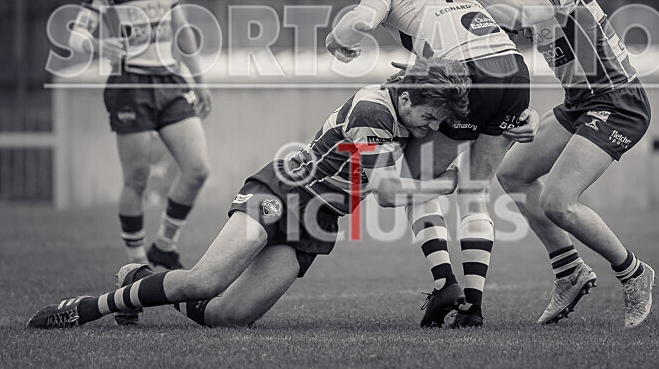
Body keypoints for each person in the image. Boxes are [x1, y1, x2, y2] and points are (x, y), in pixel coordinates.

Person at [27, 58, 472, 329]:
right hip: (283, 191)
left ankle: (140, 278)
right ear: (410, 99)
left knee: (228, 317)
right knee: (204, 280)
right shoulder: (375, 108)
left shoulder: (410, 106)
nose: (431, 130)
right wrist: (448, 183)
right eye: (430, 119)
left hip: (316, 222)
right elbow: (388, 192)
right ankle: (88, 308)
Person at [425, 0, 655, 328]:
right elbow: (508, 43)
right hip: (579, 104)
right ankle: (569, 270)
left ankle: (635, 274)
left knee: (557, 201)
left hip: (618, 102)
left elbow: (529, 11)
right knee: (512, 174)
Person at [326, 0, 536, 328]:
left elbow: (359, 22)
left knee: (414, 180)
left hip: (468, 77)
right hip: (516, 76)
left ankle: (445, 283)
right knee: (475, 191)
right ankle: (472, 308)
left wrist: (337, 41)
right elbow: (498, 36)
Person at [67, 0, 212, 279]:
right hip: (129, 87)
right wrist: (99, 46)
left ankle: (164, 246)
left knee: (197, 169)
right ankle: (135, 265)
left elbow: (182, 30)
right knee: (137, 179)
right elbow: (77, 34)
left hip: (168, 81)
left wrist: (199, 81)